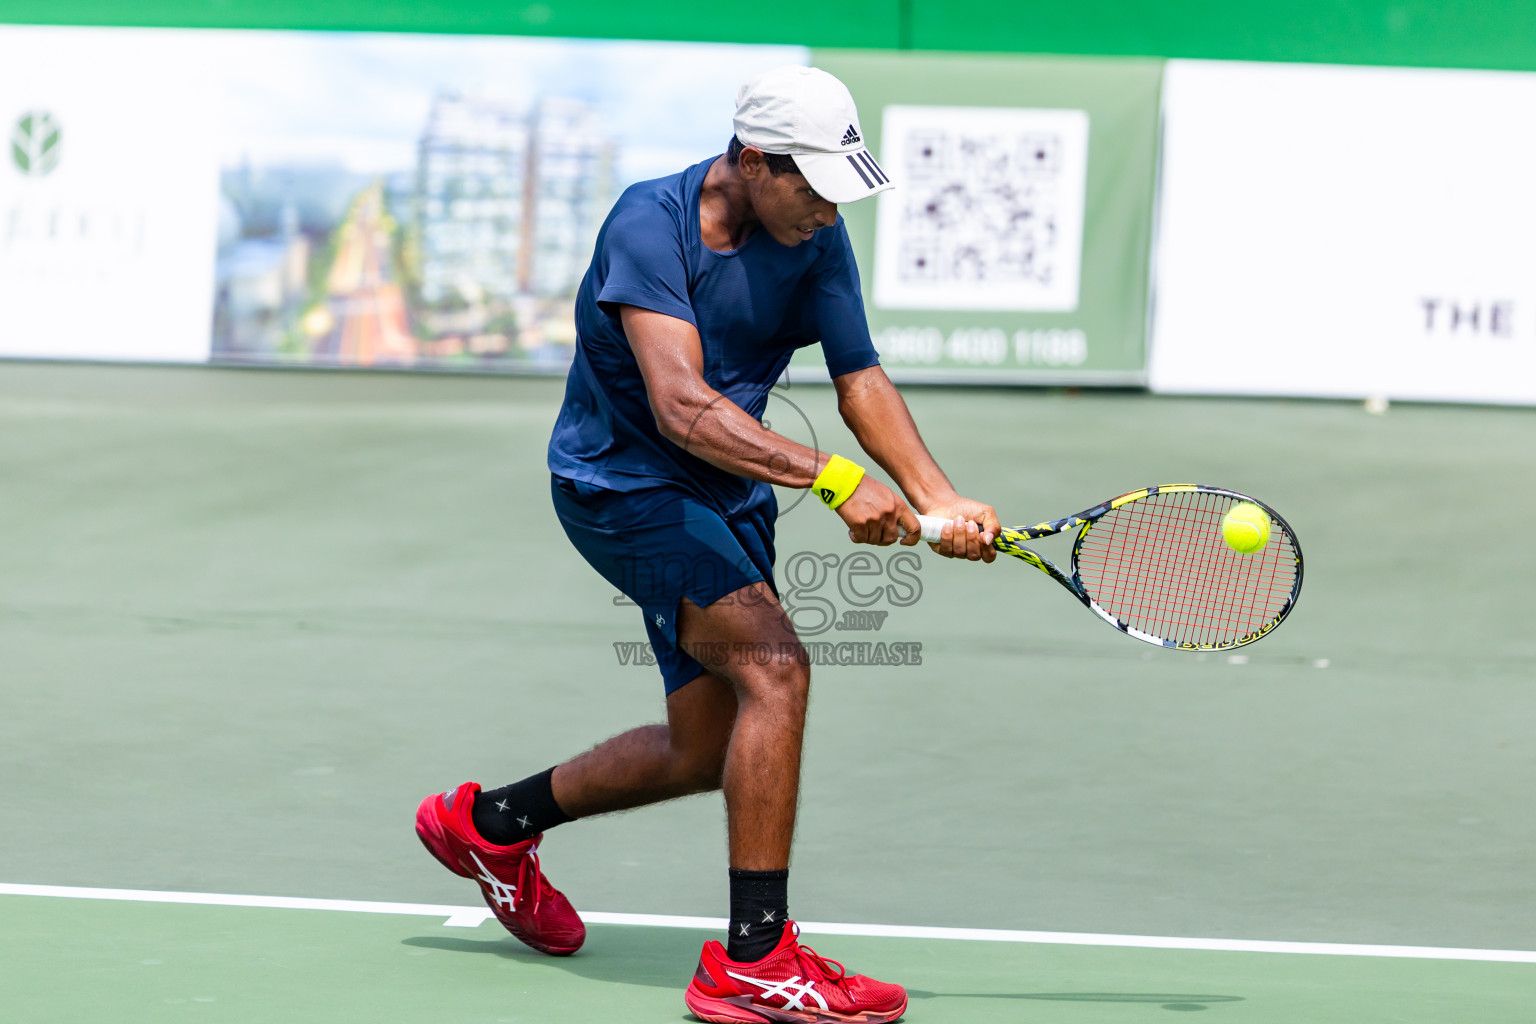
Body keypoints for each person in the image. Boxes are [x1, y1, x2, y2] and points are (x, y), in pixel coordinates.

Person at [416, 65, 1000, 1024]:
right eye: (811, 185)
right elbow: (683, 408)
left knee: (706, 745)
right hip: (622, 489)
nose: (826, 208)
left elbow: (858, 379)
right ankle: (756, 959)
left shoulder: (814, 235)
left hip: (723, 497)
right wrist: (839, 481)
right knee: (777, 671)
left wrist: (937, 498)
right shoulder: (650, 225)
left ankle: (489, 827)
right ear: (753, 161)